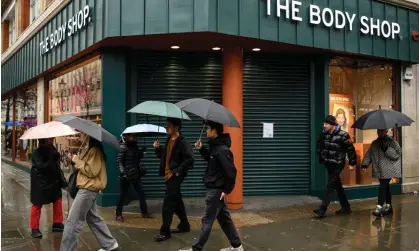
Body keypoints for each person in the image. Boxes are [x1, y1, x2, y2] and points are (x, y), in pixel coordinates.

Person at [180, 120, 243, 251]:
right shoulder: (216, 147)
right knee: (224, 220)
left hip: (216, 191)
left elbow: (231, 172)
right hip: (216, 190)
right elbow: (212, 160)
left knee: (206, 221)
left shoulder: (222, 150)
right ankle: (237, 246)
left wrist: (226, 190)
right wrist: (202, 149)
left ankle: (196, 248)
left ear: (214, 130)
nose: (206, 130)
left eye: (208, 128)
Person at [60, 134, 118, 251]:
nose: (80, 136)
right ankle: (109, 243)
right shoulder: (88, 150)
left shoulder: (95, 151)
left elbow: (92, 171)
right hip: (86, 189)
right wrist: (74, 160)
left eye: (82, 134)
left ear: (89, 136)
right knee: (93, 218)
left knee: (73, 222)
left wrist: (77, 160)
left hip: (87, 190)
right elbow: (84, 169)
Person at [153, 118, 194, 242]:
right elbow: (166, 158)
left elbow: (190, 159)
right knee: (176, 201)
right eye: (166, 125)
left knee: (168, 203)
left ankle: (165, 231)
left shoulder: (182, 142)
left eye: (169, 126)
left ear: (176, 127)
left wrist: (178, 170)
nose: (166, 128)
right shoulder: (168, 140)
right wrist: (158, 149)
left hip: (175, 176)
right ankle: (184, 225)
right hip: (168, 174)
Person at [314, 115, 357, 217]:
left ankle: (322, 209)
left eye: (326, 124)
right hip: (328, 163)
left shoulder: (343, 135)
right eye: (324, 123)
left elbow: (350, 150)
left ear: (333, 125)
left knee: (330, 185)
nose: (324, 125)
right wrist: (322, 156)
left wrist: (352, 163)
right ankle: (346, 207)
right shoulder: (323, 134)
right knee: (338, 186)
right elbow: (319, 146)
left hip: (338, 164)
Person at [361, 129, 401, 218]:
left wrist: (387, 149)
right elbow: (369, 154)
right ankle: (389, 206)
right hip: (379, 169)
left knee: (382, 186)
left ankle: (379, 208)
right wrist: (365, 164)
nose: (379, 132)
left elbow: (398, 154)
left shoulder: (392, 142)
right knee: (385, 187)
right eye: (378, 131)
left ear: (386, 131)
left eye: (382, 131)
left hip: (389, 169)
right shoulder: (374, 143)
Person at [30, 138, 65, 238]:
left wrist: (55, 155)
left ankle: (57, 223)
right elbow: (42, 166)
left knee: (57, 199)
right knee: (37, 203)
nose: (52, 140)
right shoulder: (37, 152)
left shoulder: (52, 149)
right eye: (50, 139)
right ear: (45, 141)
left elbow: (55, 165)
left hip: (52, 181)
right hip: (40, 182)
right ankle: (34, 228)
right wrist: (51, 156)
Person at [115, 133, 152, 221]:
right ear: (127, 137)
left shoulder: (134, 147)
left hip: (135, 173)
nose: (134, 137)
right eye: (132, 136)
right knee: (123, 195)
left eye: (135, 136)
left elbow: (136, 160)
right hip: (126, 175)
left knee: (141, 193)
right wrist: (123, 173)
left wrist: (141, 152)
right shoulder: (122, 147)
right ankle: (118, 214)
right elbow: (119, 161)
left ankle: (144, 212)